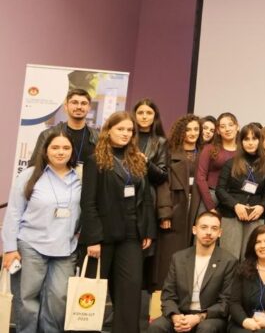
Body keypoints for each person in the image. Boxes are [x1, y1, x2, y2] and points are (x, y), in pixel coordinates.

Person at [80, 111, 156, 333]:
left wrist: (148, 231)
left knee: (130, 291)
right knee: (91, 291)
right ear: (108, 130)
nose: (125, 133)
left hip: (132, 235)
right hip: (102, 236)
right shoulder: (95, 160)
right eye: (120, 129)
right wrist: (93, 239)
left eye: (129, 130)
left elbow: (146, 199)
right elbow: (88, 202)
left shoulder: (137, 160)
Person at [2, 131, 81, 333]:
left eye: (66, 148)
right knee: (27, 300)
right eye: (55, 147)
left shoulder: (80, 177)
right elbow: (14, 212)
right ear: (45, 151)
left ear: (72, 152)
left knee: (58, 301)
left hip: (65, 249)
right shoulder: (29, 175)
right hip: (30, 246)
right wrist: (10, 248)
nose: (60, 152)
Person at [148, 211, 237, 333]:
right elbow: (168, 295)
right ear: (194, 230)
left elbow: (226, 302)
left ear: (220, 233)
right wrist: (176, 317)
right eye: (204, 227)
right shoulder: (178, 258)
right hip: (180, 313)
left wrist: (198, 317)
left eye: (214, 228)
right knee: (157, 326)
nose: (209, 232)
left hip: (209, 317)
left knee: (206, 328)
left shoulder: (229, 261)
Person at [155, 114, 201, 290]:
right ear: (181, 131)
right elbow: (163, 184)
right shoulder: (169, 152)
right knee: (169, 256)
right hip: (175, 207)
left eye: (196, 129)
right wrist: (165, 213)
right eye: (188, 129)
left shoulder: (203, 154)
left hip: (196, 207)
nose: (193, 133)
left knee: (191, 258)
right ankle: (161, 299)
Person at [216, 123, 265, 259]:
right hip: (231, 215)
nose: (250, 142)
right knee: (229, 257)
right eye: (246, 139)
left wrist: (262, 207)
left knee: (251, 257)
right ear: (241, 142)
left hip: (255, 216)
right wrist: (235, 205)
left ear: (260, 141)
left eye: (254, 138)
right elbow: (220, 189)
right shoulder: (230, 163)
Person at [29, 88, 99, 169]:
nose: (79, 107)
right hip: (55, 177)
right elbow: (34, 166)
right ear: (66, 106)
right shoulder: (47, 135)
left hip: (88, 177)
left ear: (89, 108)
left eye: (83, 103)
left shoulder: (98, 137)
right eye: (74, 102)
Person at [196, 112, 239, 212]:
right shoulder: (209, 148)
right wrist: (210, 206)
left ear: (237, 127)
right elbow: (200, 178)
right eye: (223, 126)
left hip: (234, 198)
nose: (227, 129)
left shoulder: (243, 151)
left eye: (230, 125)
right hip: (211, 195)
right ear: (218, 131)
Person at [134, 97, 170, 185]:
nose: (144, 117)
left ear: (155, 116)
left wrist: (146, 162)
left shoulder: (161, 142)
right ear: (134, 115)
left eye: (149, 113)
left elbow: (162, 176)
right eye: (140, 113)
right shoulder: (126, 138)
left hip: (147, 190)